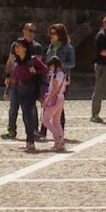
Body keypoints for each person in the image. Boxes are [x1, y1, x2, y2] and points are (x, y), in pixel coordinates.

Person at [5, 39, 49, 155]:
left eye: (19, 46)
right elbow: (13, 76)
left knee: (28, 114)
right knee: (24, 115)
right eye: (16, 47)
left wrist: (35, 71)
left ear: (24, 48)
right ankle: (29, 139)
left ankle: (30, 141)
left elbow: (45, 70)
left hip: (31, 90)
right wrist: (8, 90)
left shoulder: (33, 60)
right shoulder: (16, 61)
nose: (16, 49)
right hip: (20, 90)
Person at [4, 22, 41, 140]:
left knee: (31, 107)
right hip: (16, 81)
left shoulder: (37, 47)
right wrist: (7, 76)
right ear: (24, 31)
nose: (31, 33)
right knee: (13, 107)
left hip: (29, 83)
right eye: (30, 30)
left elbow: (37, 65)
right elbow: (10, 62)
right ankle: (11, 130)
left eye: (34, 31)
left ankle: (34, 130)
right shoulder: (16, 45)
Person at [41, 22, 74, 152]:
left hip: (60, 79)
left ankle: (58, 137)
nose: (52, 36)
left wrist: (59, 64)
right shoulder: (51, 46)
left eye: (54, 33)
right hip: (52, 78)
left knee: (51, 114)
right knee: (55, 117)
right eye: (51, 33)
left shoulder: (68, 48)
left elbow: (72, 63)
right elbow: (48, 61)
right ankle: (58, 139)